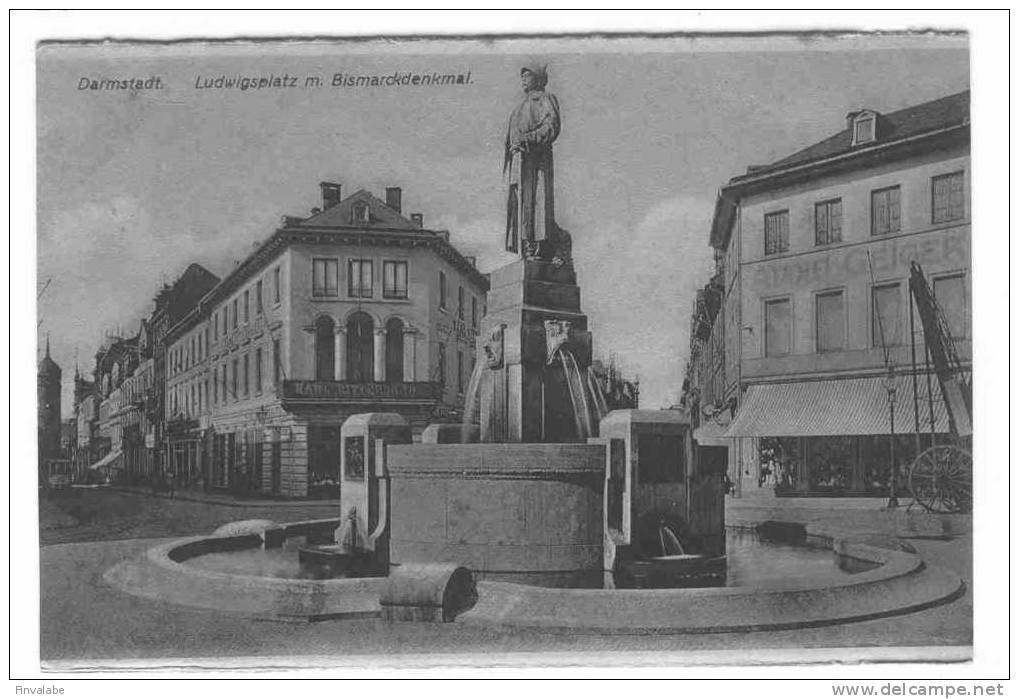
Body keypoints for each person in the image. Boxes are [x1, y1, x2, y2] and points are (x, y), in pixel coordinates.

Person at [504, 64, 561, 256]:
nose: (523, 80)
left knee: (535, 202)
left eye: (527, 76)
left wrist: (528, 138)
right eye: (522, 77)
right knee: (520, 203)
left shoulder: (544, 99)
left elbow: (551, 127)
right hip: (518, 160)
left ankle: (537, 245)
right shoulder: (518, 107)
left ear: (537, 79)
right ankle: (524, 245)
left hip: (535, 160)